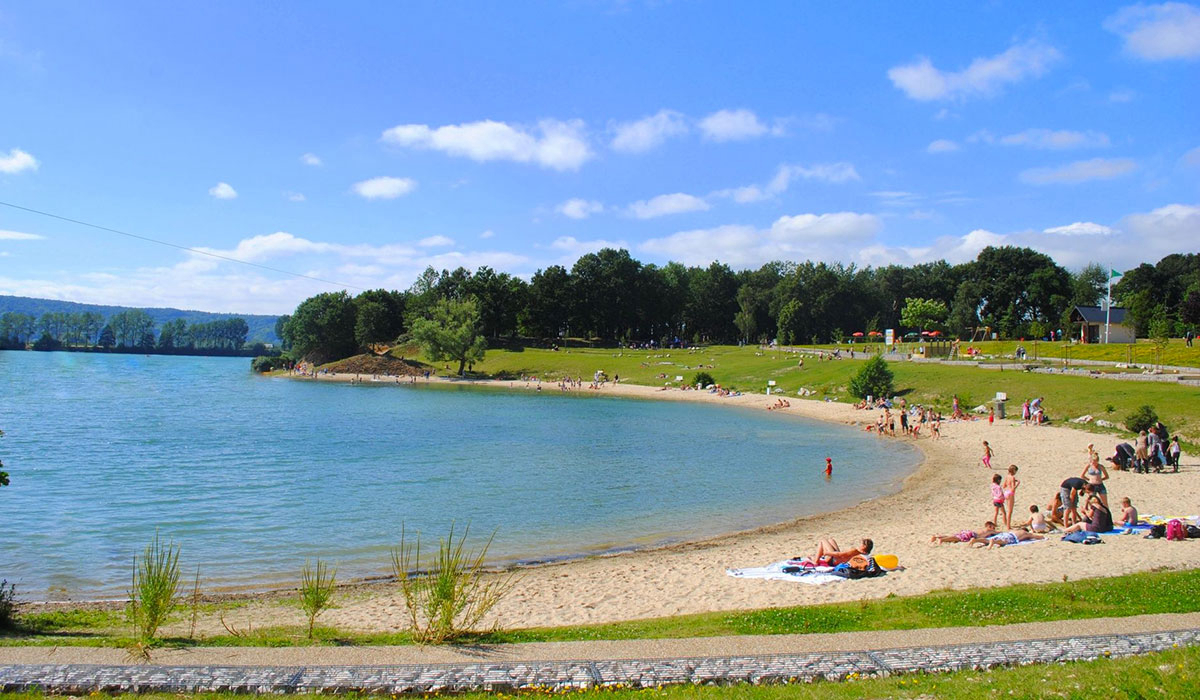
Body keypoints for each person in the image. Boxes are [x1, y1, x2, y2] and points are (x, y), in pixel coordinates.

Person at [931, 521, 998, 545]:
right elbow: (998, 532)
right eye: (993, 527)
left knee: (955, 536)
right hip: (971, 534)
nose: (994, 529)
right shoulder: (989, 530)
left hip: (969, 532)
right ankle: (942, 540)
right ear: (990, 526)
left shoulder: (982, 529)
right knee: (957, 538)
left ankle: (938, 536)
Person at [978, 530, 1045, 548]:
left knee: (987, 540)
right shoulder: (1024, 533)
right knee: (1004, 542)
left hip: (1005, 534)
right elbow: (1034, 536)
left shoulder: (1014, 530)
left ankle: (975, 540)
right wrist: (1042, 537)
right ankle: (994, 542)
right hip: (1011, 537)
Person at [1002, 465, 1020, 529]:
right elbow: (1013, 488)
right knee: (1010, 511)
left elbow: (1004, 486)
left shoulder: (1007, 476)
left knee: (1007, 509)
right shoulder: (1012, 477)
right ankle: (1008, 526)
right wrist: (1018, 484)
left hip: (1006, 492)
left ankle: (1006, 523)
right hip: (1010, 493)